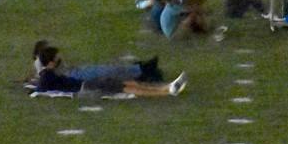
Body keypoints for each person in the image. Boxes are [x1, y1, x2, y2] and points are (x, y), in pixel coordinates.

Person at [30, 43, 184, 99]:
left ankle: (166, 87)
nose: (59, 60)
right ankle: (167, 92)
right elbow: (40, 89)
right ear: (50, 62)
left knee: (126, 83)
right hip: (86, 88)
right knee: (125, 87)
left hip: (86, 84)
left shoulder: (47, 74)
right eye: (56, 58)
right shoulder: (47, 76)